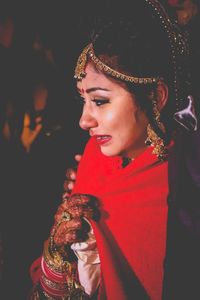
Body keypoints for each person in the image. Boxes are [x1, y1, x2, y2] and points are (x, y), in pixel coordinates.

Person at [29, 0, 195, 299]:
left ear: (155, 97)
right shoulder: (93, 158)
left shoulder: (185, 186)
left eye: (100, 100)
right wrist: (57, 255)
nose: (84, 120)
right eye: (83, 100)